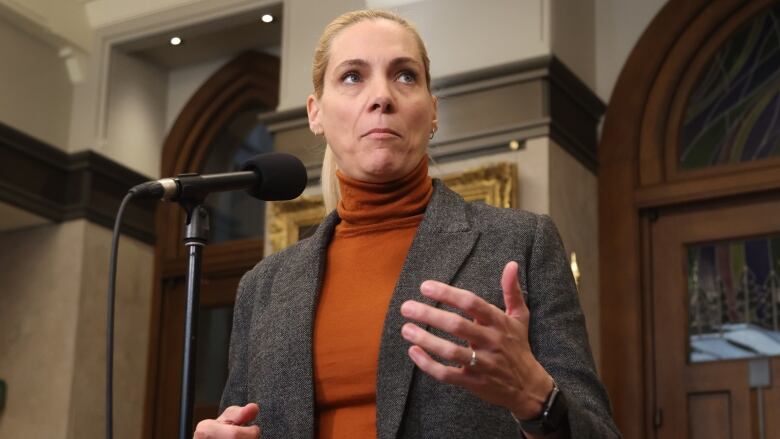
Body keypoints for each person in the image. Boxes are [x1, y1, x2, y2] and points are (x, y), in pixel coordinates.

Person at [194, 9, 621, 439]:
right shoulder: (263, 287)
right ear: (315, 113)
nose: (381, 96)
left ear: (432, 112)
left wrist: (539, 400)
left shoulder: (522, 243)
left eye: (404, 76)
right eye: (352, 77)